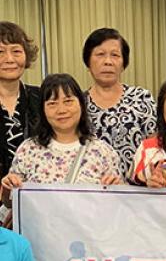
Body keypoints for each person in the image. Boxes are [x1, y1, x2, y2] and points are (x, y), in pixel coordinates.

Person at [1, 74, 122, 206]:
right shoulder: (28, 150)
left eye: (68, 101)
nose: (61, 110)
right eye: (52, 103)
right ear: (43, 110)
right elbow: (10, 203)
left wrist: (118, 190)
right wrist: (7, 189)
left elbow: (117, 207)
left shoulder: (103, 152)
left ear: (81, 104)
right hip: (38, 227)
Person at [83, 27, 156, 178]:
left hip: (137, 190)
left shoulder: (141, 98)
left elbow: (154, 146)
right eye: (100, 54)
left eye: (115, 55)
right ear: (88, 62)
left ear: (123, 64)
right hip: (92, 191)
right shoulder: (78, 103)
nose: (108, 61)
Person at [0, 22, 41, 182]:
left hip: (34, 196)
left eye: (16, 51)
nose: (9, 59)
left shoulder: (41, 97)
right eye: (0, 52)